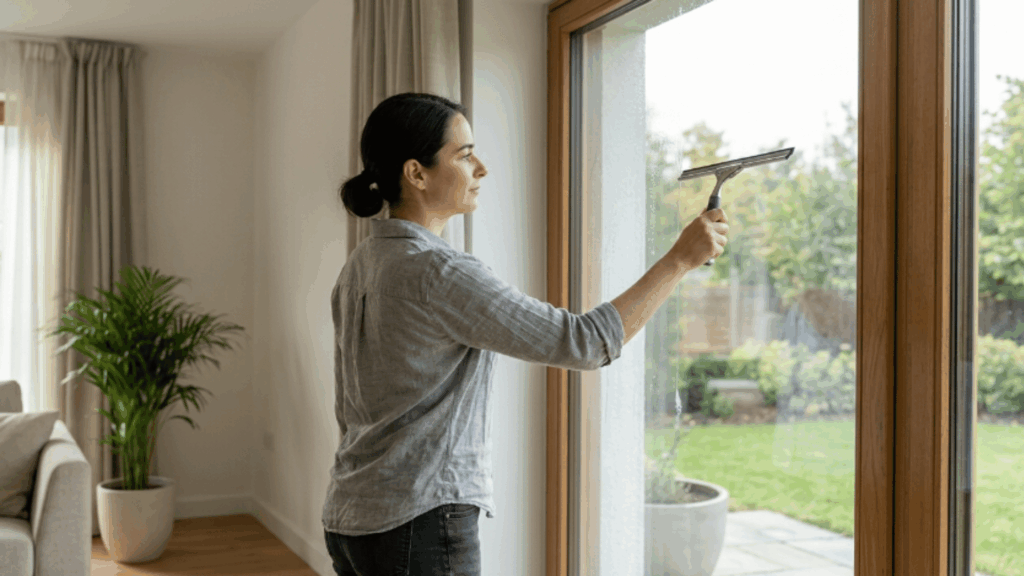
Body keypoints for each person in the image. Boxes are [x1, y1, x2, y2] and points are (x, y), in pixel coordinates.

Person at [323, 92, 729, 576]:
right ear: (416, 174)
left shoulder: (361, 265)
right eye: (465, 154)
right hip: (417, 523)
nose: (482, 169)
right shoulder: (438, 272)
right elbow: (585, 342)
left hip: (350, 519)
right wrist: (680, 259)